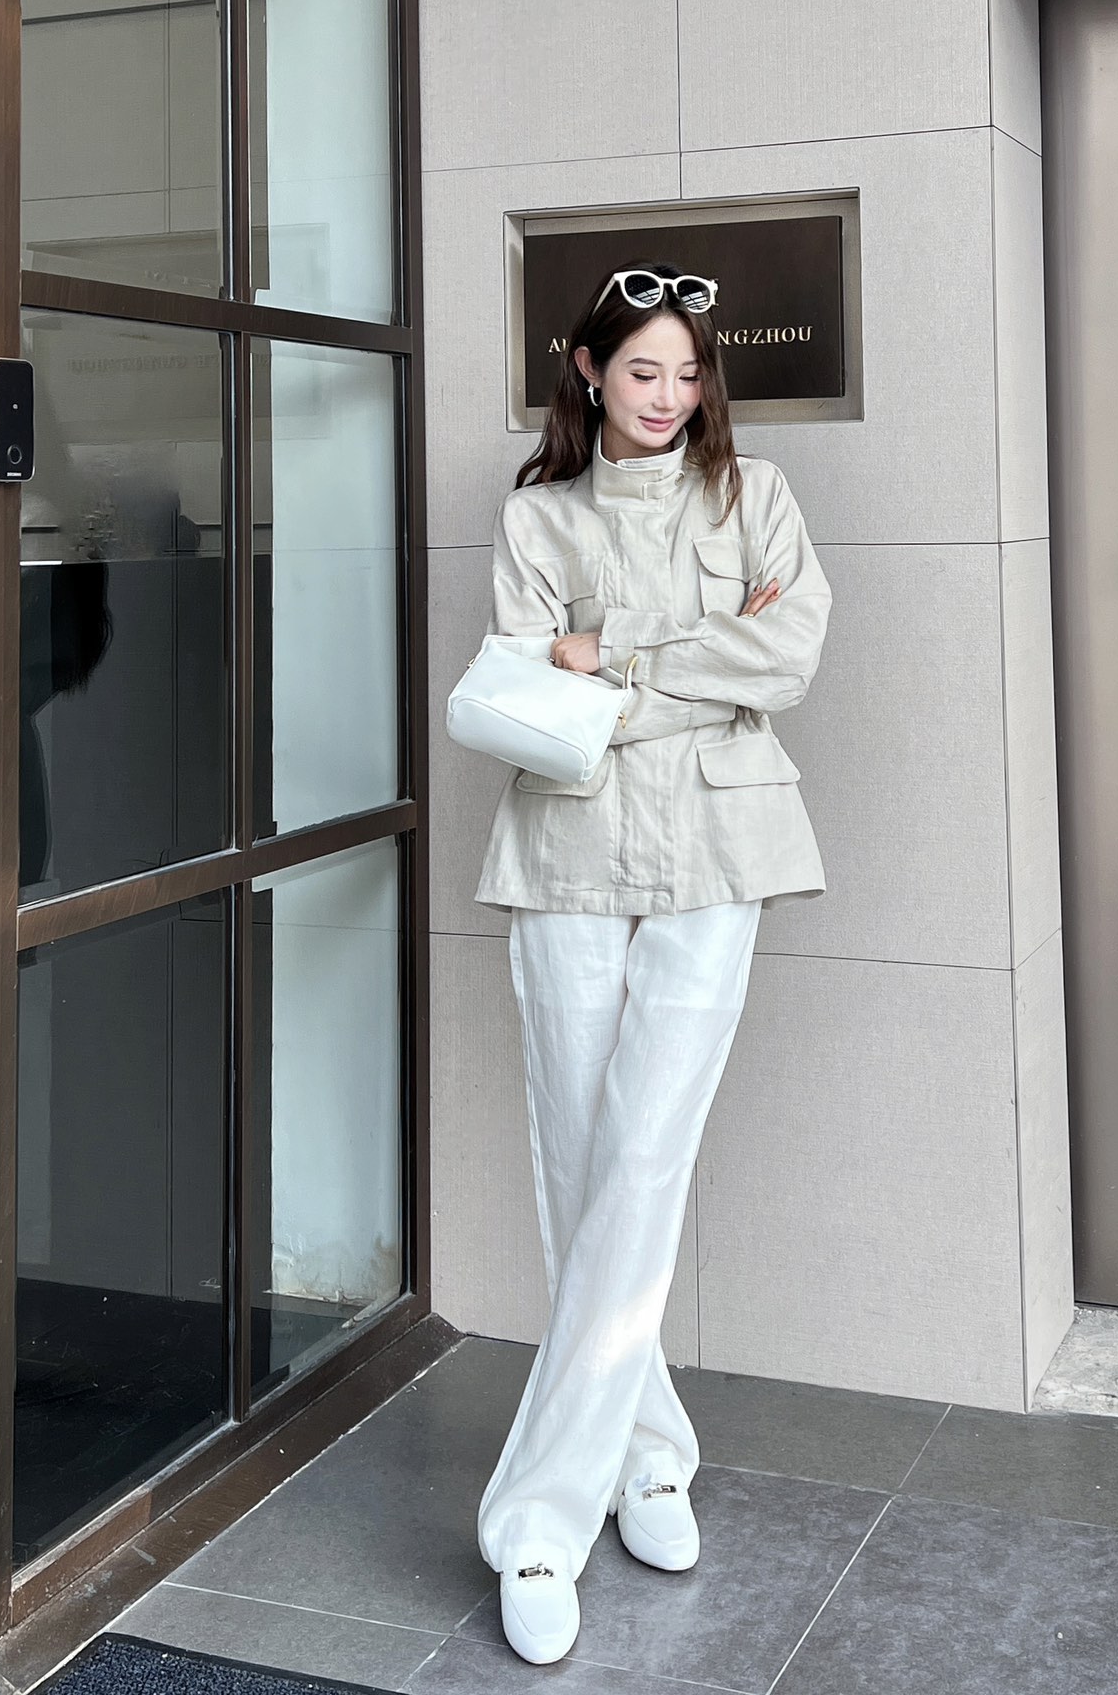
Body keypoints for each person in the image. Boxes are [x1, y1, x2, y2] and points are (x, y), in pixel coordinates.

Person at [471, 260, 832, 1665]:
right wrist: (692, 665)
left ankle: (537, 1522)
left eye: (688, 373)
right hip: (566, 850)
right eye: (642, 371)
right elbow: (523, 686)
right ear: (587, 370)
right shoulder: (537, 516)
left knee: (644, 1155)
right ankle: (648, 1454)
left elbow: (785, 661)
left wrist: (608, 654)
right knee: (581, 1156)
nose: (670, 396)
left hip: (720, 850)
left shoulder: (756, 498)